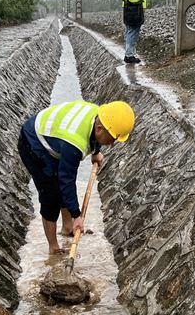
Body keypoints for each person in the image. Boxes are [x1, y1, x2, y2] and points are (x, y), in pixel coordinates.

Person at [18, 100, 135, 255]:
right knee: (50, 194)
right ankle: (53, 248)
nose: (112, 144)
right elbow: (67, 181)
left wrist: (95, 152)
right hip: (33, 142)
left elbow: (94, 136)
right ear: (100, 129)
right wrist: (77, 216)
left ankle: (67, 228)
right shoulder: (74, 143)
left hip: (55, 137)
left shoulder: (100, 115)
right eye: (112, 139)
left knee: (61, 185)